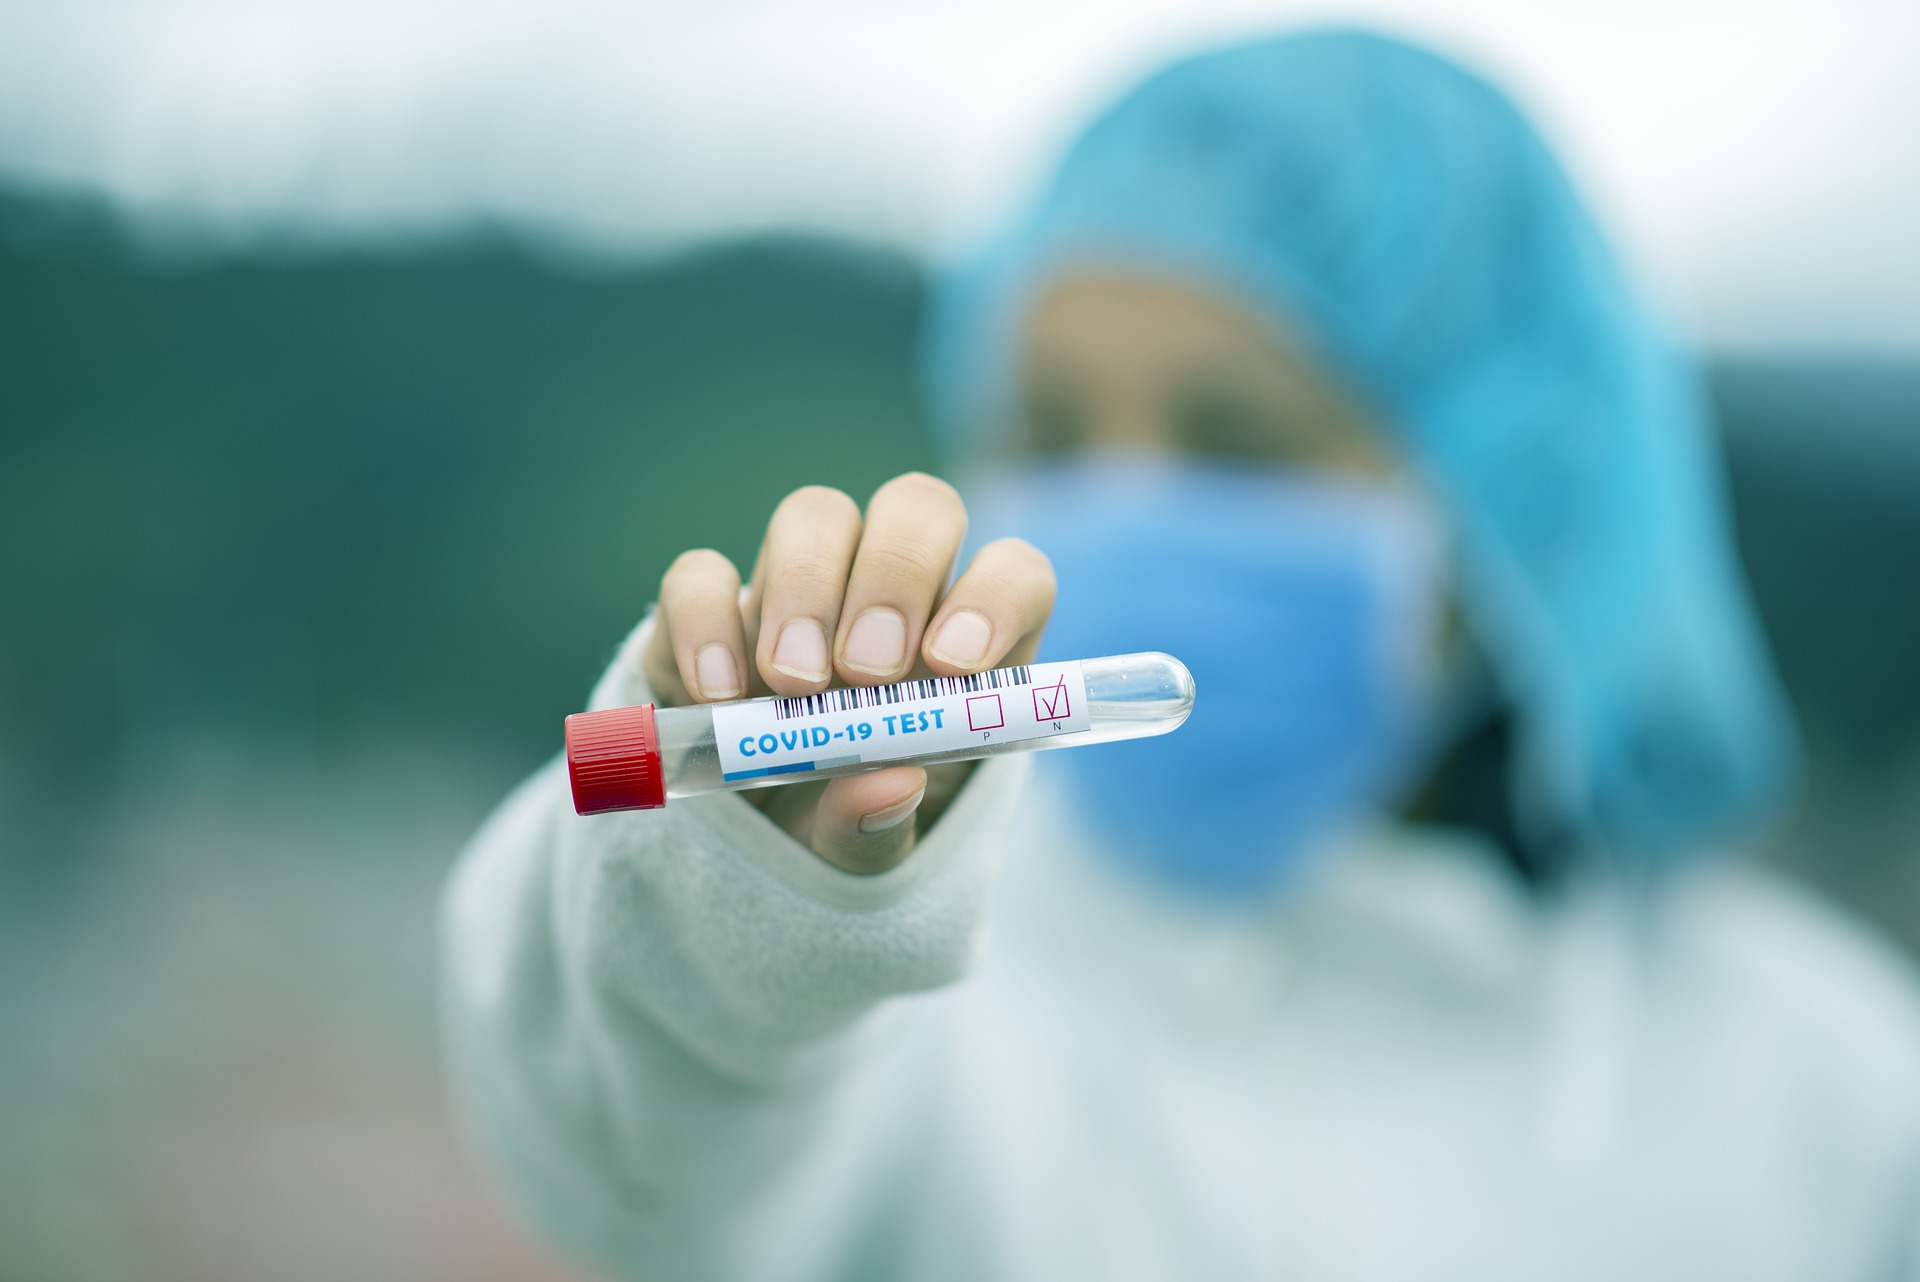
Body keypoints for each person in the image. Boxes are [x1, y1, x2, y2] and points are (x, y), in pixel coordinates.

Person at [440, 29, 1920, 1280]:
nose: (1125, 511)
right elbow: (659, 1149)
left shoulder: (1830, 1090)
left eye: (1241, 440)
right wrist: (748, 906)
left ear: (1513, 502)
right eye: (1051, 433)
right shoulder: (934, 983)